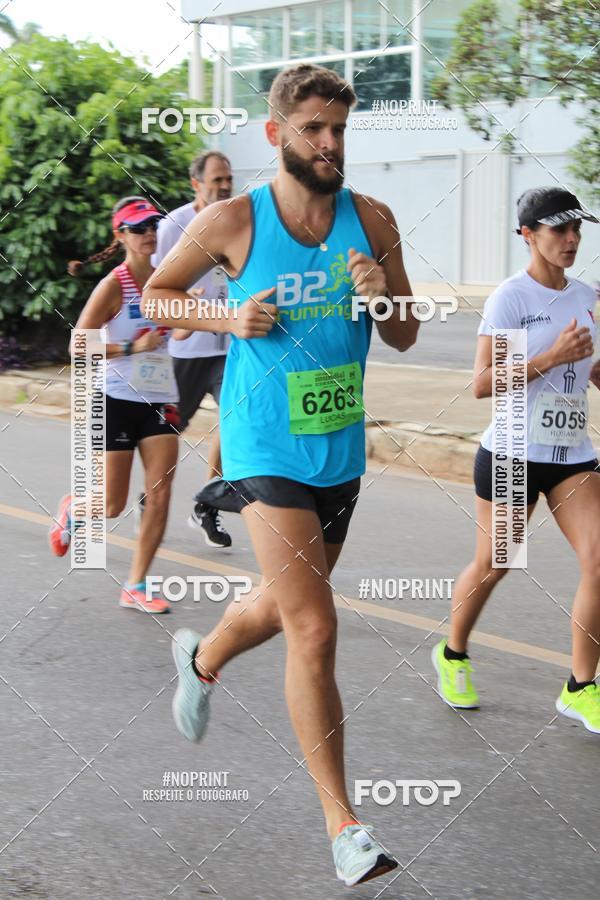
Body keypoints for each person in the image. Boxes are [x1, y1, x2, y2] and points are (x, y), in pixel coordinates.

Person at [143, 64, 419, 887]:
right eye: (313, 130)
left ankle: (200, 659)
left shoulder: (373, 219)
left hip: (337, 447)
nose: (330, 144)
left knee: (284, 597)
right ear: (276, 136)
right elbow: (156, 295)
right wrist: (224, 313)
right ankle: (346, 827)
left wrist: (380, 296)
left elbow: (404, 335)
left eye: (339, 129)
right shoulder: (233, 221)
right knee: (315, 624)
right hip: (263, 449)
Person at [432, 186, 600, 733]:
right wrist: (552, 356)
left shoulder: (587, 296)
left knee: (599, 560)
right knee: (497, 563)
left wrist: (590, 367)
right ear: (527, 235)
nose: (572, 238)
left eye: (577, 228)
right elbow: (483, 383)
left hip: (573, 453)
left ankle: (580, 687)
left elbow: (590, 370)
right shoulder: (513, 298)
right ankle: (453, 655)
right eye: (558, 229)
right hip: (512, 453)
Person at [48, 197, 180, 614]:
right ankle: (74, 507)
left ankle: (136, 584)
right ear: (120, 235)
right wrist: (131, 345)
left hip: (160, 398)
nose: (148, 234)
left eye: (153, 226)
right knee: (111, 505)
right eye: (139, 228)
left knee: (160, 495)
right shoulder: (113, 284)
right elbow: (76, 345)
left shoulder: (166, 279)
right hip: (115, 399)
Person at [144, 151, 233, 549]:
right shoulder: (174, 225)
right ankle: (152, 497)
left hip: (230, 344)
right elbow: (156, 289)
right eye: (216, 179)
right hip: (186, 349)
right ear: (196, 184)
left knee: (237, 419)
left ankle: (207, 504)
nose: (225, 185)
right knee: (166, 432)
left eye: (228, 178)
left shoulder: (236, 219)